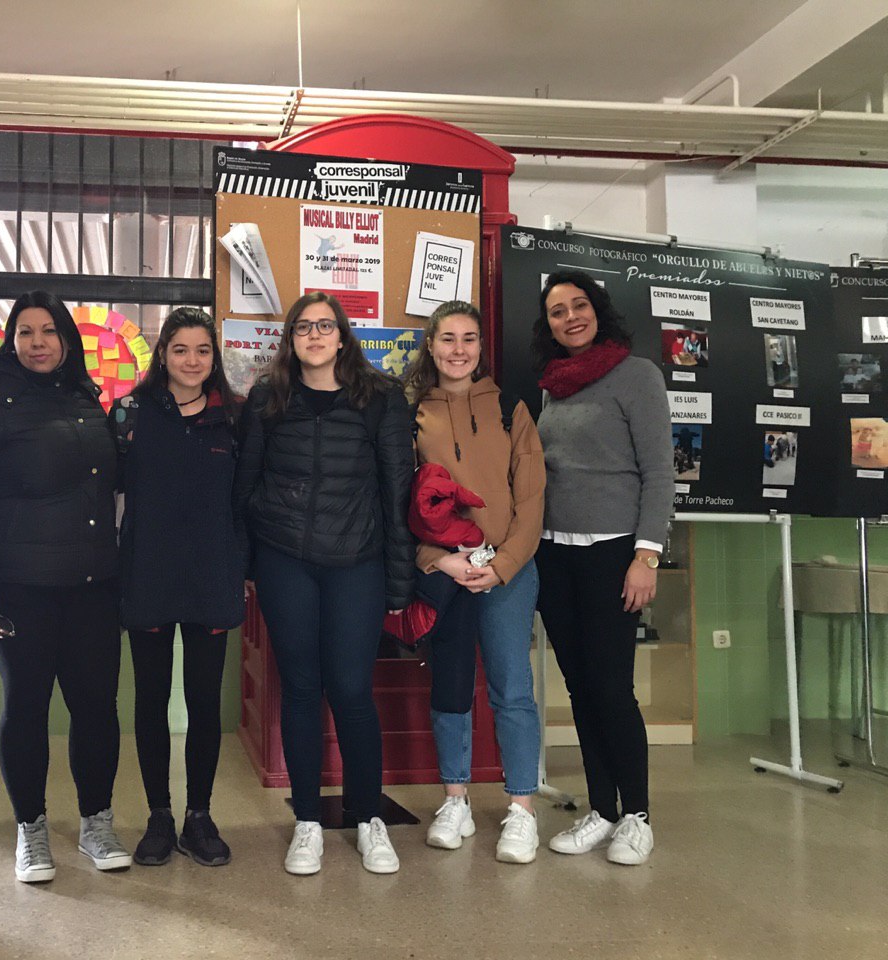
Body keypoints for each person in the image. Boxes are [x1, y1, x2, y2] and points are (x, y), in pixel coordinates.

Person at [0, 290, 130, 886]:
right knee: (26, 705)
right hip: (20, 586)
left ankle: (97, 822)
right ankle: (31, 830)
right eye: (25, 332)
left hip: (93, 582)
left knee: (97, 707)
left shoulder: (84, 395)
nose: (37, 343)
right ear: (11, 338)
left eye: (49, 331)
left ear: (67, 340)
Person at [233, 291, 415, 876]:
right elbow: (246, 483)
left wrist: (398, 580)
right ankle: (307, 821)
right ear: (291, 339)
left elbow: (396, 490)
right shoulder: (269, 397)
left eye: (325, 326)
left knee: (351, 689)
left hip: (357, 561)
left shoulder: (380, 398)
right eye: (303, 327)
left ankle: (368, 819)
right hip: (286, 560)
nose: (314, 335)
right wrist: (250, 559)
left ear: (343, 336)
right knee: (303, 689)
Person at [531, 269, 675, 867]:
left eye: (579, 305)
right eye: (559, 311)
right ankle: (602, 808)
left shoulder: (637, 375)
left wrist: (647, 556)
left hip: (613, 552)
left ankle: (637, 815)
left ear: (599, 310)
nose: (571, 317)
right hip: (554, 554)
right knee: (580, 687)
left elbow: (660, 473)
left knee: (612, 688)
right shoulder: (552, 386)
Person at [402, 301, 546, 864]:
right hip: (447, 571)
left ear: (481, 347)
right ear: (431, 346)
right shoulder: (412, 413)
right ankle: (456, 799)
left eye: (468, 339)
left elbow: (532, 498)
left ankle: (521, 810)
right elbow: (401, 500)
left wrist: (504, 563)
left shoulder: (511, 409)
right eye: (447, 339)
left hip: (509, 570)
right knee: (451, 685)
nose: (458, 350)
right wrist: (438, 560)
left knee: (512, 689)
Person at [110, 308, 245, 868]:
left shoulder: (235, 418)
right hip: (147, 572)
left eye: (203, 350)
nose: (192, 361)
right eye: (181, 349)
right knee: (150, 698)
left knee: (204, 701)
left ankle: (199, 815)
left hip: (213, 575)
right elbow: (107, 494)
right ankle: (159, 815)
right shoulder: (129, 414)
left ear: (215, 358)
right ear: (162, 354)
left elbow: (247, 498)